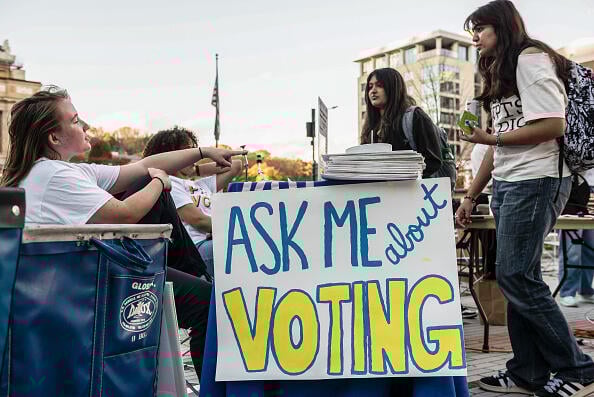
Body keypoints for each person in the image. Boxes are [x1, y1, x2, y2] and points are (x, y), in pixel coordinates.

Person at [0, 86, 246, 379]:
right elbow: (126, 213)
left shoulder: (53, 171)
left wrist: (204, 152)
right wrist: (159, 182)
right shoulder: (55, 175)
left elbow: (143, 165)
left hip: (77, 281)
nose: (86, 125)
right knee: (206, 302)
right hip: (88, 287)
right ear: (54, 137)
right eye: (76, 120)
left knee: (147, 184)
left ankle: (196, 276)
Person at [456, 1, 594, 396]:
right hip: (511, 182)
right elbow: (499, 148)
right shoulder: (501, 73)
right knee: (519, 279)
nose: (476, 38)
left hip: (539, 180)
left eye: (481, 29)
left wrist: (490, 138)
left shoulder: (530, 58)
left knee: (517, 276)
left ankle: (577, 368)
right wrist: (471, 195)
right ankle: (527, 371)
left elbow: (553, 123)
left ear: (502, 26)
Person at [142, 126, 243, 278]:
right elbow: (199, 220)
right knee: (245, 247)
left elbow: (236, 165)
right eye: (188, 151)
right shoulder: (169, 184)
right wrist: (238, 230)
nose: (194, 155)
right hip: (198, 249)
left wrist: (194, 169)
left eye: (194, 150)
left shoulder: (199, 184)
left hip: (216, 240)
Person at [360, 67, 442, 178]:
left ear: (393, 88)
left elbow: (433, 161)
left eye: (379, 85)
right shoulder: (371, 128)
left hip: (411, 191)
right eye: (370, 87)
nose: (373, 91)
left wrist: (402, 175)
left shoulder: (414, 117)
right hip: (380, 192)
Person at [557, 168, 594, 307]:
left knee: (590, 250)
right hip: (572, 202)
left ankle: (586, 290)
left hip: (588, 202)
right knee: (572, 252)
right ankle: (567, 292)